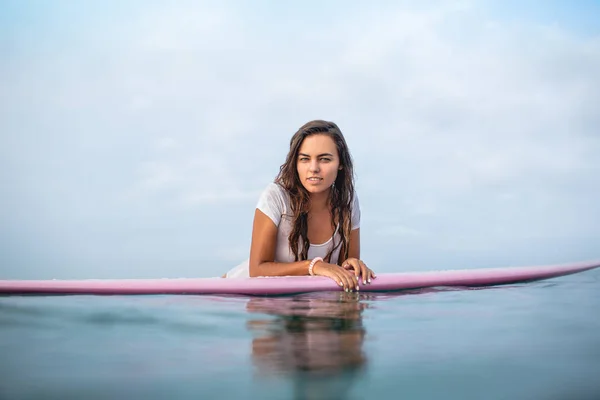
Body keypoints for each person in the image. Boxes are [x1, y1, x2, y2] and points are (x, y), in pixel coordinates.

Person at [223, 120, 376, 292]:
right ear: (295, 163)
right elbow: (257, 270)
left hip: (303, 300)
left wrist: (352, 264)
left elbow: (344, 269)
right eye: (304, 159)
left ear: (341, 163)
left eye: (324, 159)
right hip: (240, 295)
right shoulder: (276, 196)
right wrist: (313, 266)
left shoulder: (347, 201)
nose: (313, 168)